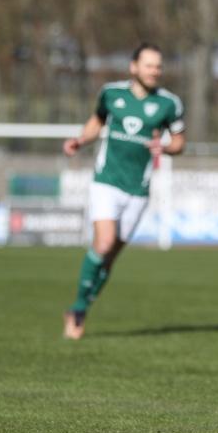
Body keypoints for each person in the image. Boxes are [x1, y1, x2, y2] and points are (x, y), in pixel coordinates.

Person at [62, 43, 185, 340]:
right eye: (149, 65)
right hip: (106, 182)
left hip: (138, 191)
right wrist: (81, 140)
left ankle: (82, 305)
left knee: (109, 259)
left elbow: (180, 142)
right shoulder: (111, 94)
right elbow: (97, 122)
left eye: (158, 66)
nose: (154, 71)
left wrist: (165, 147)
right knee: (102, 243)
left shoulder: (169, 104)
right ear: (134, 67)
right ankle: (78, 310)